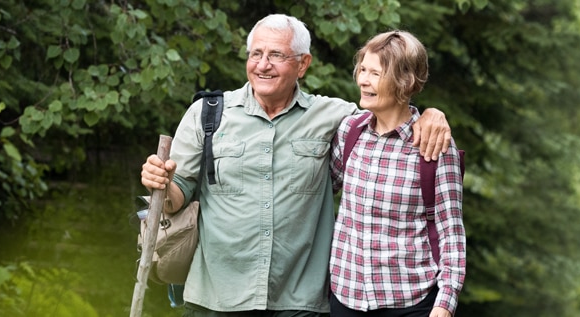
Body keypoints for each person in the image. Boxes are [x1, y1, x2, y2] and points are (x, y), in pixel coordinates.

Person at [139, 14, 452, 316]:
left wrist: (429, 114)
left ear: (303, 64)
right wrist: (163, 185)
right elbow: (177, 194)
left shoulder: (337, 118)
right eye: (256, 54)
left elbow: (387, 110)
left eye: (276, 55)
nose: (263, 65)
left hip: (299, 302)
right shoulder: (206, 115)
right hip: (215, 297)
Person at [327, 30, 465, 317]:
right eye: (362, 69)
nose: (363, 80)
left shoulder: (434, 145)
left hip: (409, 302)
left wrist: (445, 303)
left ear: (405, 81)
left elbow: (451, 232)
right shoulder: (349, 132)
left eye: (375, 73)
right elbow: (320, 190)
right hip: (345, 297)